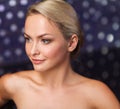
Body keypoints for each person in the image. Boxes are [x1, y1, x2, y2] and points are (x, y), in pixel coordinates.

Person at [0, 0, 120, 109]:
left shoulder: (95, 93)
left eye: (45, 40)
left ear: (71, 43)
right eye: (28, 39)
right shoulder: (13, 84)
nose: (32, 51)